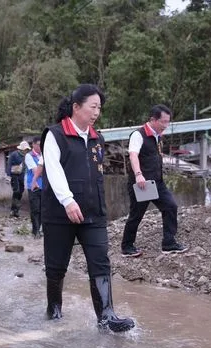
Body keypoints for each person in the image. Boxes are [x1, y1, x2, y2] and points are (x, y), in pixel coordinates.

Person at [41, 84, 134, 333]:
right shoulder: (55, 134)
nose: (96, 112)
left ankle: (107, 316)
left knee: (100, 261)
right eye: (92, 107)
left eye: (99, 108)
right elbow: (53, 169)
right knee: (56, 264)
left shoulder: (97, 138)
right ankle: (54, 308)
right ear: (76, 107)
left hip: (93, 213)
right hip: (60, 212)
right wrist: (68, 200)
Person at [120, 104, 188, 257]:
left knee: (170, 207)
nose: (166, 125)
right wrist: (138, 174)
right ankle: (127, 247)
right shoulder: (138, 135)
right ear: (153, 120)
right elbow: (133, 155)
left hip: (157, 182)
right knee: (136, 215)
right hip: (142, 184)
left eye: (168, 122)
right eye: (163, 122)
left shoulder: (157, 136)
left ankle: (169, 243)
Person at [25, 136, 43, 238]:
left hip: (44, 187)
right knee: (35, 209)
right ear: (34, 144)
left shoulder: (44, 155)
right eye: (39, 145)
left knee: (42, 209)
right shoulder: (29, 156)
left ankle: (40, 230)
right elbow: (36, 171)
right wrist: (43, 170)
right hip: (34, 187)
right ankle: (35, 231)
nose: (41, 147)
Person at [6, 140, 30, 217]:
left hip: (21, 175)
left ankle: (16, 210)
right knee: (16, 191)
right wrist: (8, 175)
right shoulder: (14, 154)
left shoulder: (26, 156)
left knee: (21, 191)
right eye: (26, 149)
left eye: (27, 150)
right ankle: (13, 210)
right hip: (14, 175)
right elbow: (9, 164)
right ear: (22, 149)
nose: (26, 151)